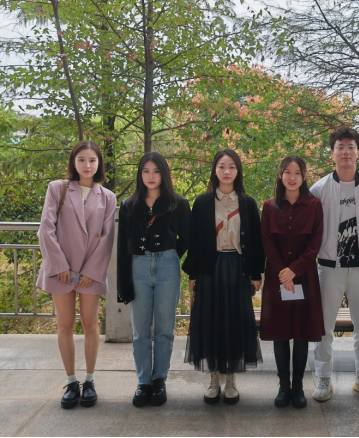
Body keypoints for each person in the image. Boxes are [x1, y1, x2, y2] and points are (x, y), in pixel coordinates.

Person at [37, 140, 116, 409]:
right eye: (81, 159)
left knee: (91, 324)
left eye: (92, 160)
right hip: (61, 270)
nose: (87, 165)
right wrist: (59, 265)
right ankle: (71, 382)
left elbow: (107, 238)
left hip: (89, 272)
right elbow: (46, 228)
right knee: (65, 325)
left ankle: (90, 380)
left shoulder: (107, 196)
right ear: (73, 161)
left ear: (99, 164)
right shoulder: (57, 189)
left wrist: (91, 272)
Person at [183, 149, 265, 405]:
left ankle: (231, 379)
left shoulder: (248, 203)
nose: (226, 171)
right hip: (210, 268)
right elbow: (195, 240)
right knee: (211, 322)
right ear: (215, 170)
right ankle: (213, 378)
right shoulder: (203, 202)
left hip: (237, 268)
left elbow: (256, 241)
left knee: (234, 323)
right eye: (221, 166)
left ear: (238, 171)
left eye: (231, 166)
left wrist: (255, 273)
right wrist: (193, 273)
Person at [310, 127, 359, 403]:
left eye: (350, 147)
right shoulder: (319, 189)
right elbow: (313, 229)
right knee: (323, 327)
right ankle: (323, 378)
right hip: (329, 268)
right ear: (332, 153)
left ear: (358, 151)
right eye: (340, 147)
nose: (345, 152)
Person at [117, 152, 191, 408]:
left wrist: (171, 255)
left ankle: (159, 379)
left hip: (167, 266)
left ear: (164, 174)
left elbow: (187, 237)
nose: (151, 176)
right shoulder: (129, 205)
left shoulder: (178, 203)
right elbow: (122, 246)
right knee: (140, 331)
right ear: (140, 174)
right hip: (137, 266)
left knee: (164, 329)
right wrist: (123, 284)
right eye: (146, 171)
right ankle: (143, 382)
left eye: (156, 171)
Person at [261, 155, 325, 409]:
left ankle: (298, 387)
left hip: (305, 277)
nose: (292, 177)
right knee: (280, 333)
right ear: (280, 175)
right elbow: (267, 243)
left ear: (304, 176)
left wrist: (294, 271)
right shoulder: (269, 207)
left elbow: (315, 244)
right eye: (287, 172)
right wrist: (284, 273)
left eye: (297, 172)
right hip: (277, 279)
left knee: (301, 334)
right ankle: (283, 387)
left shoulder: (314, 206)